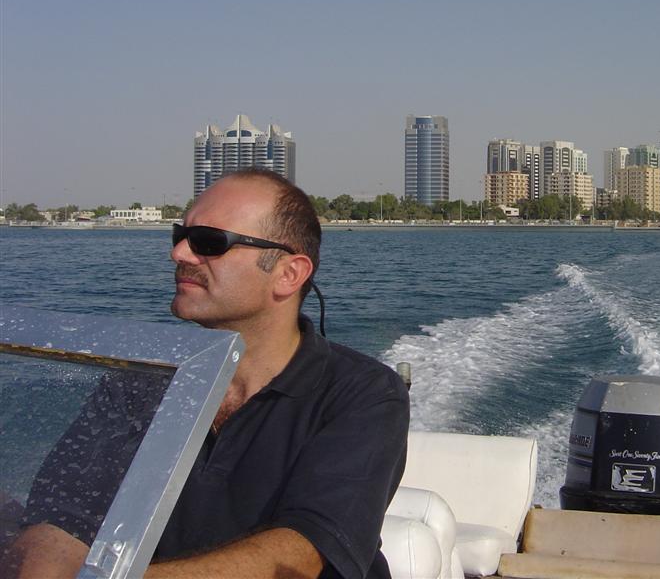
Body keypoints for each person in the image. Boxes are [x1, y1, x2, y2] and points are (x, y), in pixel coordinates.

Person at [10, 169, 410, 579]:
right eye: (179, 236)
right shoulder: (139, 382)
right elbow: (61, 516)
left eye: (208, 242)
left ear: (288, 274)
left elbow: (302, 552)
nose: (179, 253)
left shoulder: (365, 394)